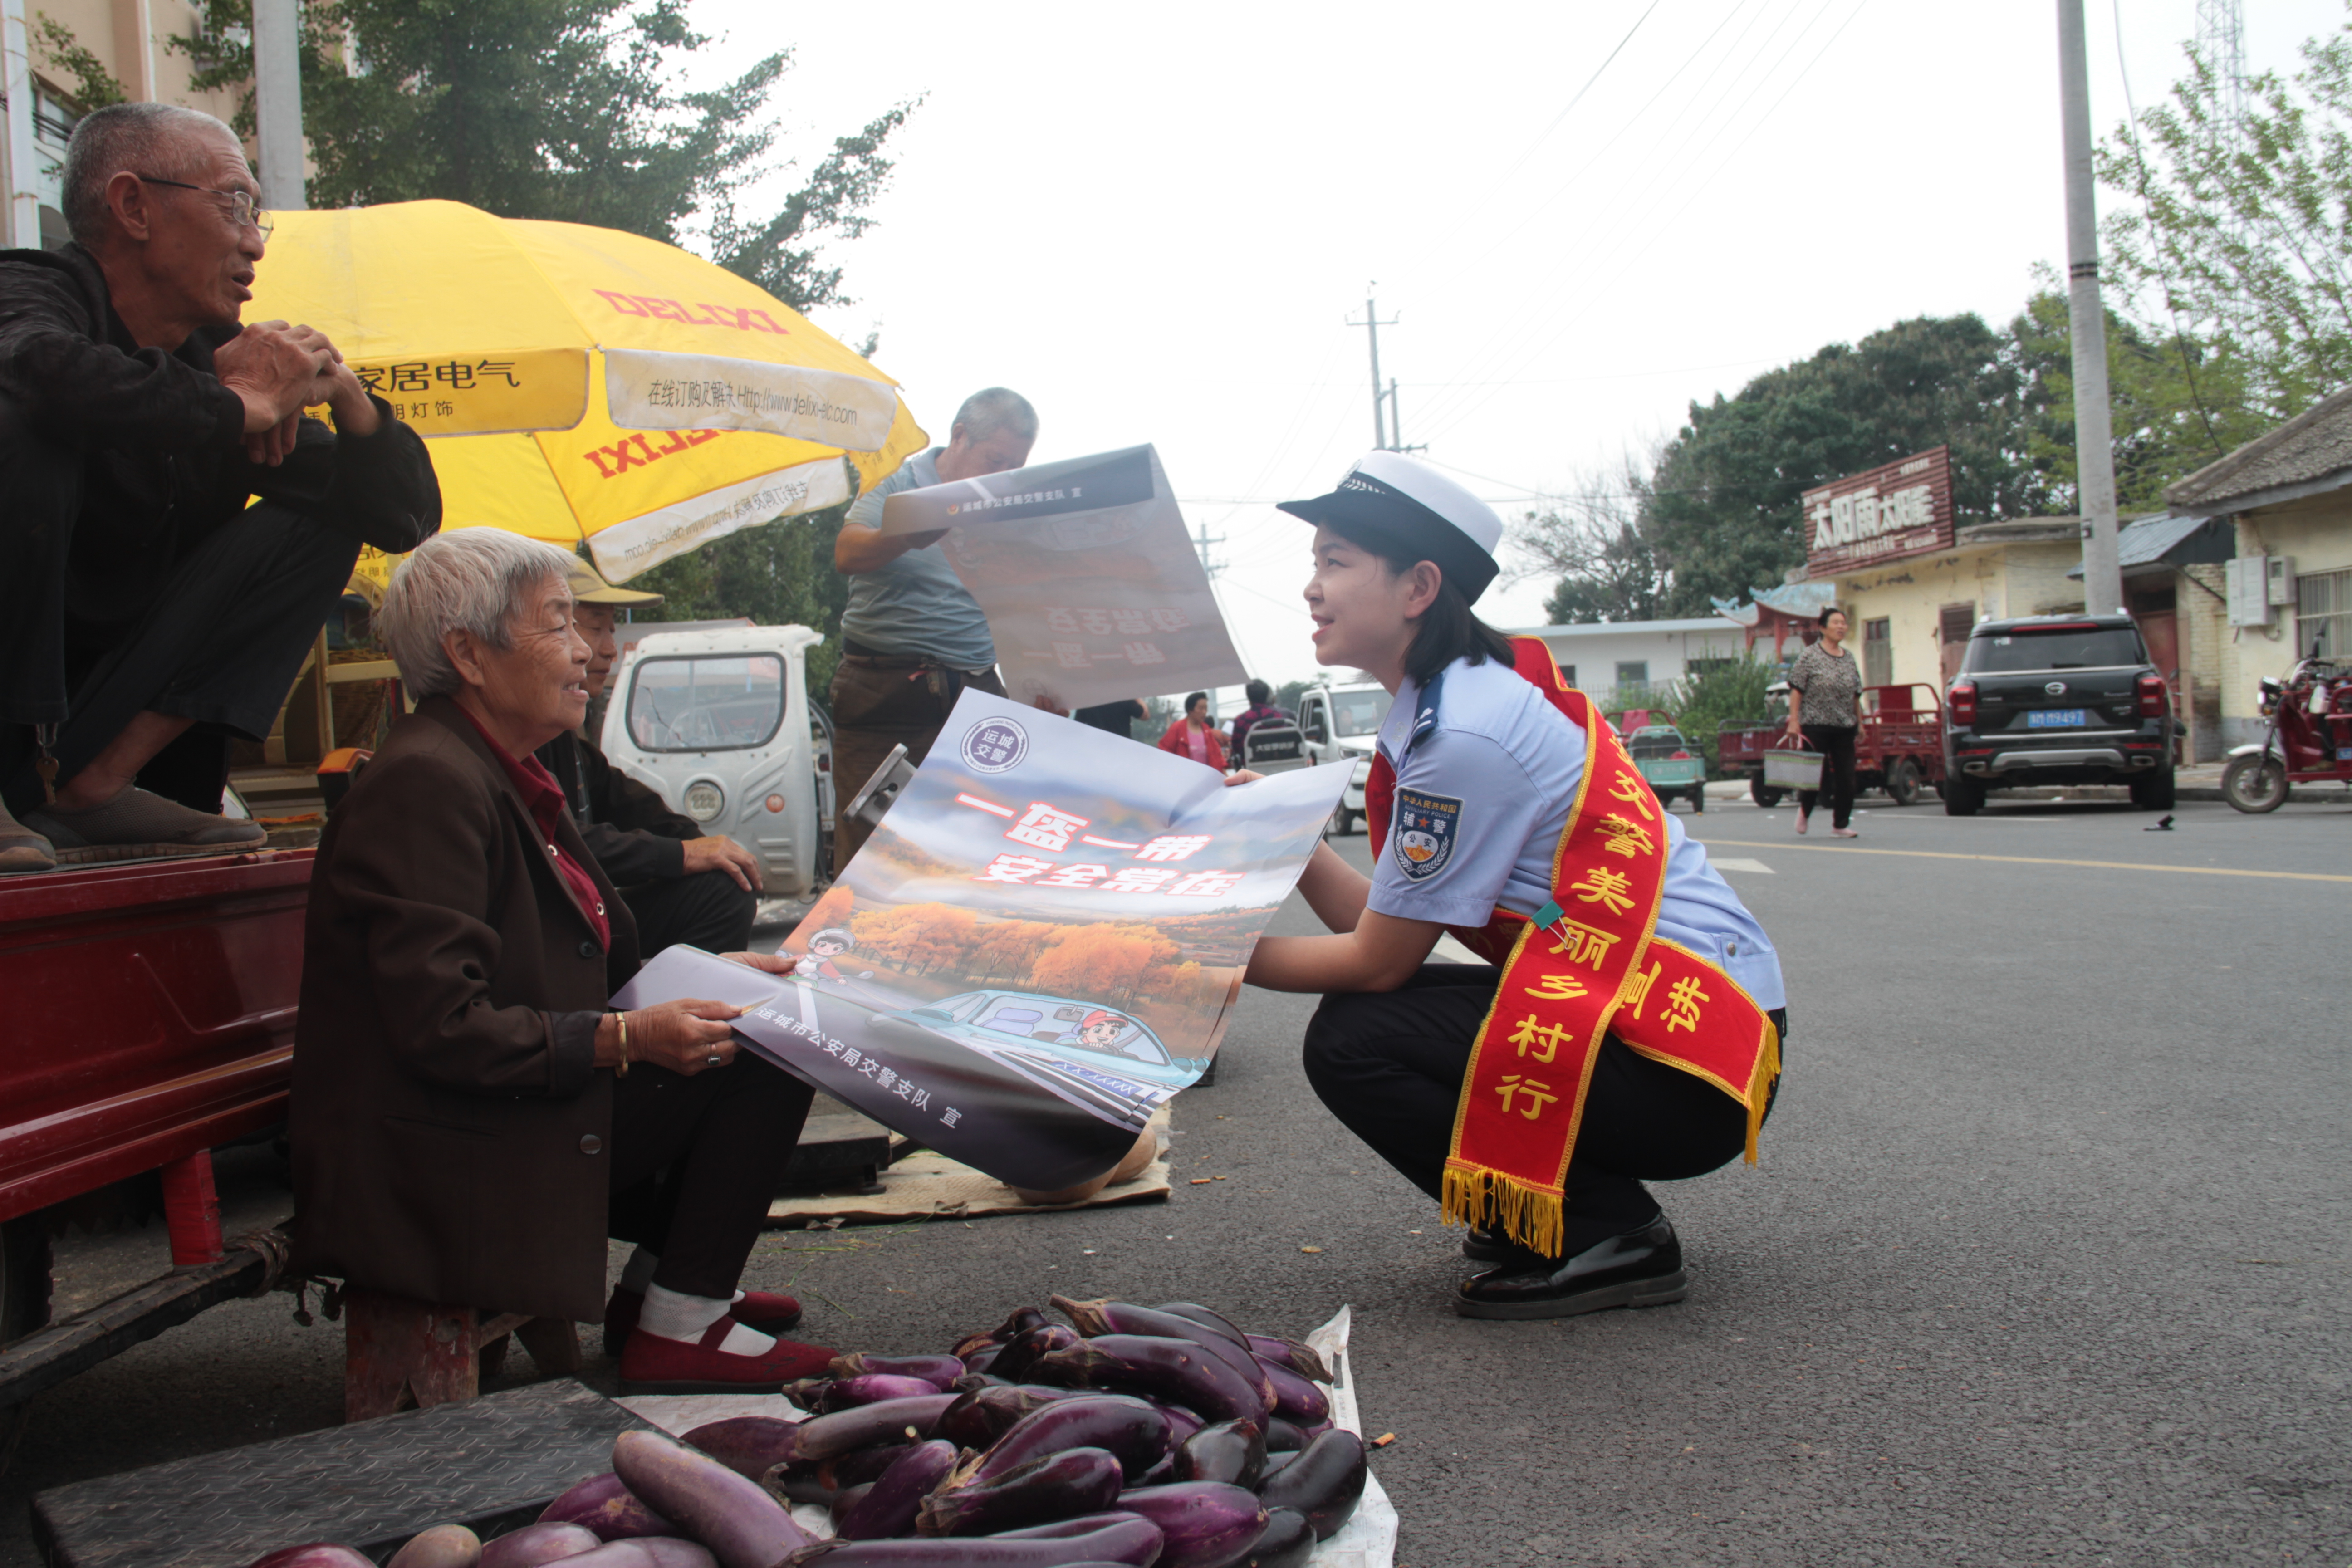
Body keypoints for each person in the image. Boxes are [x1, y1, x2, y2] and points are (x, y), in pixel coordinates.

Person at [1235, 451, 1788, 1320]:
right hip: (1666, 1021)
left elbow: (1374, 963)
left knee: (1352, 1038)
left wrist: (1201, 961)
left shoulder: (1463, 733)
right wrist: (1290, 844)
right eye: (1315, 561)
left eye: (1334, 561)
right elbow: (1388, 929)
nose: (1311, 586)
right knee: (1375, 1011)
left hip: (1689, 1054)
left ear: (1419, 587)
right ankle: (1543, 1205)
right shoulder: (1447, 700)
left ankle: (1604, 1230)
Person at [291, 529, 830, 1392]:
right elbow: (444, 1029)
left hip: (487, 1120)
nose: (586, 650)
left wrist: (703, 976)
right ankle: (680, 1321)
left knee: (755, 1021)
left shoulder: (503, 771)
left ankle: (662, 1294)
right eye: (557, 626)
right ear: (467, 653)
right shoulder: (426, 784)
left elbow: (573, 961)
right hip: (438, 1164)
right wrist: (626, 1039)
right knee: (762, 1056)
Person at [0, 103, 439, 873]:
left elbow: (403, 517)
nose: (254, 242)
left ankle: (97, 784)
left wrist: (346, 396)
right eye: (234, 206)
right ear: (134, 206)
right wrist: (235, 405)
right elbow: (42, 374)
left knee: (324, 519)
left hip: (89, 727)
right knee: (27, 422)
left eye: (255, 215)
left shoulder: (224, 368)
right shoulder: (28, 293)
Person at [829, 388, 1037, 862]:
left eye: (1016, 467)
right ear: (959, 437)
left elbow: (1029, 607)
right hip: (884, 694)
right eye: (995, 460)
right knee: (871, 859)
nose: (1003, 477)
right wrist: (903, 535)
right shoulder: (899, 484)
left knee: (978, 848)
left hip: (976, 692)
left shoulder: (1014, 509)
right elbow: (848, 552)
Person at [534, 559, 764, 956]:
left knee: (724, 883)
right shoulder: (523, 731)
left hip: (581, 914)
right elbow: (558, 842)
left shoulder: (563, 734)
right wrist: (679, 855)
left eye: (611, 630)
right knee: (720, 893)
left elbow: (623, 797)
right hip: (550, 930)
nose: (604, 649)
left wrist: (696, 842)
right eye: (577, 627)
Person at [1784, 607, 1862, 838]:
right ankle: (1805, 811)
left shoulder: (1849, 658)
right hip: (1815, 725)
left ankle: (1840, 824)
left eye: (1844, 623)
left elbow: (1856, 694)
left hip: (1844, 726)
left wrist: (1861, 723)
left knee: (1847, 777)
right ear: (1823, 628)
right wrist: (1794, 721)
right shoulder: (1810, 656)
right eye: (1836, 623)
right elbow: (1796, 690)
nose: (1841, 627)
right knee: (1815, 775)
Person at [1157, 692, 1230, 771]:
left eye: (1206, 708)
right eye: (1201, 709)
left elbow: (1217, 757)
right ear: (1190, 710)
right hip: (1184, 778)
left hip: (1207, 779)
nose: (1204, 712)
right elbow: (1164, 752)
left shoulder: (1207, 730)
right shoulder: (1177, 728)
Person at [1227, 680, 1289, 753]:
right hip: (1277, 760)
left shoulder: (1241, 721)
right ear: (1266, 695)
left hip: (1249, 763)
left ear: (1248, 696)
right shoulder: (1277, 716)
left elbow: (1237, 747)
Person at [1073, 698, 1149, 738]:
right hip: (1122, 750)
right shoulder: (1121, 696)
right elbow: (1145, 716)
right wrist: (1136, 696)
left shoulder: (1088, 698)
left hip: (1095, 750)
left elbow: (1078, 725)